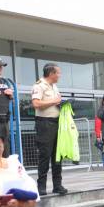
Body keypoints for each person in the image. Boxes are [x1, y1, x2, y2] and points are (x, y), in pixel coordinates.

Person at [31, 63, 67, 196]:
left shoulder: (54, 86)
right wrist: (54, 101)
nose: (59, 75)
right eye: (58, 73)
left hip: (56, 123)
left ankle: (57, 185)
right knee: (45, 155)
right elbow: (36, 104)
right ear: (51, 74)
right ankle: (41, 187)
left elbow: (56, 102)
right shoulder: (39, 85)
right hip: (44, 123)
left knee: (58, 155)